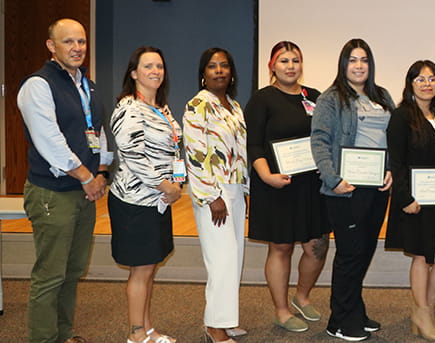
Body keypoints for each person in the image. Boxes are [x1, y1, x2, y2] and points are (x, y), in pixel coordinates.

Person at [17, 18, 111, 343]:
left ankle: (63, 335)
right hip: (52, 193)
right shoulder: (38, 85)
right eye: (68, 42)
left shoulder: (88, 85)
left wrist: (101, 173)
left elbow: (97, 133)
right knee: (50, 275)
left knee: (71, 273)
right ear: (51, 46)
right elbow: (50, 141)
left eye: (81, 42)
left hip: (84, 191)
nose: (77, 48)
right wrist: (87, 177)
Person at [310, 38, 395, 342]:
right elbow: (319, 140)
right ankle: (341, 320)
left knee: (364, 251)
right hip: (345, 188)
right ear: (343, 64)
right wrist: (333, 179)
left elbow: (394, 138)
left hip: (377, 187)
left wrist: (391, 171)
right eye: (353, 60)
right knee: (350, 253)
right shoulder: (331, 98)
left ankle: (351, 312)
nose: (359, 66)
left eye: (364, 60)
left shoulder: (382, 95)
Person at [245, 41, 330, 333]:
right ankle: (281, 311)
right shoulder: (262, 99)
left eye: (295, 60)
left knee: (317, 246)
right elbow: (253, 143)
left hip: (312, 184)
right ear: (272, 66)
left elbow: (325, 137)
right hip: (276, 184)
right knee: (281, 247)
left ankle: (301, 296)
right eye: (284, 61)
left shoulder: (315, 97)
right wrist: (266, 175)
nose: (290, 66)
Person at [385, 60, 435, 340]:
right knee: (421, 254)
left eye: (432, 79)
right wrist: (405, 196)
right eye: (420, 79)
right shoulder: (402, 116)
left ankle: (425, 309)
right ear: (410, 84)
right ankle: (422, 311)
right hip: (416, 198)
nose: (427, 83)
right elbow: (396, 159)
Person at [108, 46, 181, 343]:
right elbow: (133, 155)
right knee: (140, 270)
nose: (155, 71)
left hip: (158, 202)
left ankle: (149, 329)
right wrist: (166, 186)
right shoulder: (128, 108)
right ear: (134, 73)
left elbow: (174, 150)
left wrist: (178, 183)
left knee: (149, 267)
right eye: (148, 66)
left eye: (159, 66)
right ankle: (136, 334)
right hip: (135, 201)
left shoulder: (161, 108)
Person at [183, 47, 248, 343]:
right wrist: (211, 196)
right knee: (220, 259)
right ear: (203, 74)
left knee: (234, 258)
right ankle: (214, 327)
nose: (219, 70)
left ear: (231, 72)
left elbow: (241, 152)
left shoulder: (233, 106)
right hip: (215, 193)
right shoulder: (198, 105)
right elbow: (194, 154)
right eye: (212, 66)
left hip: (235, 189)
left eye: (224, 66)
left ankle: (227, 319)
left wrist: (246, 190)